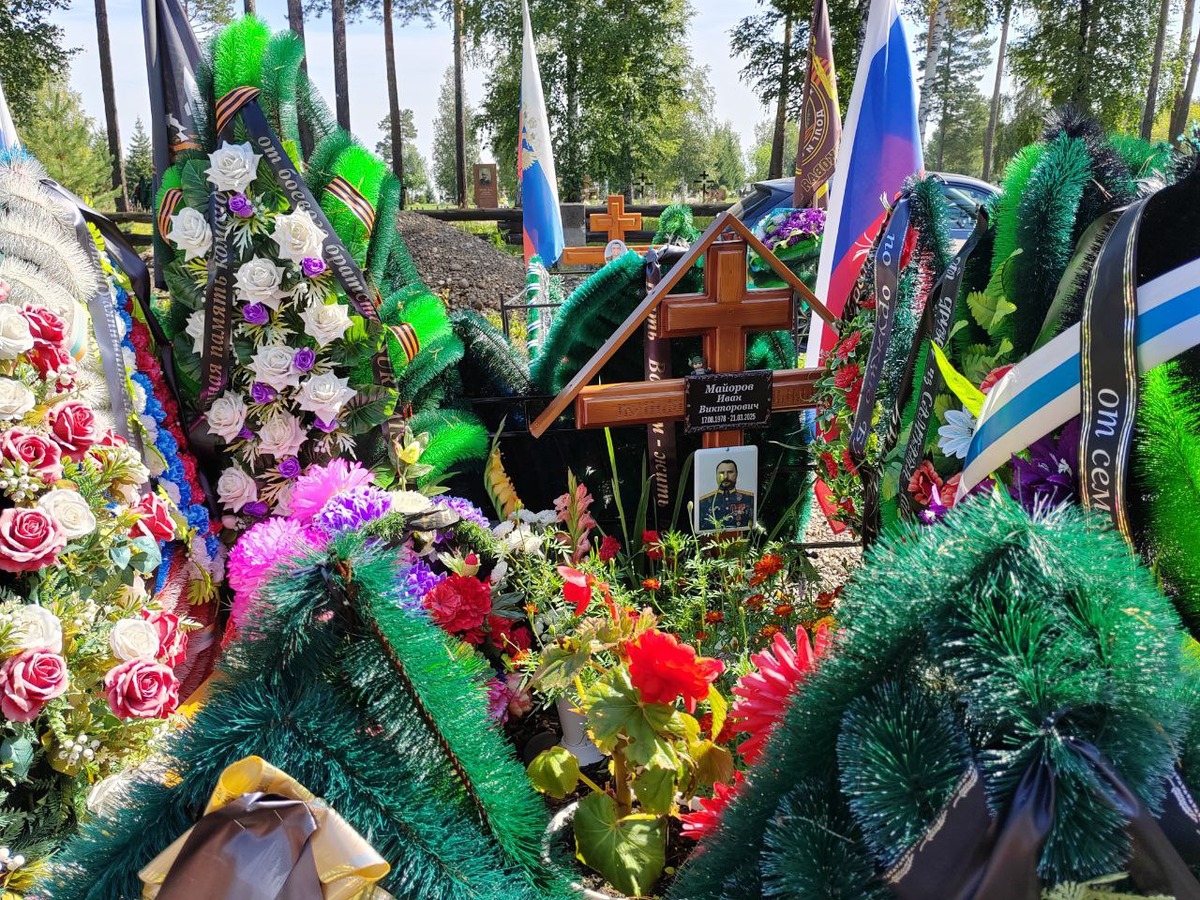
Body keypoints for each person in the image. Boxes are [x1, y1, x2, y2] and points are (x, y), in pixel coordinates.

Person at [697, 458, 754, 530]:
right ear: (716, 475)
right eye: (721, 473)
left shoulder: (749, 499)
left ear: (736, 474)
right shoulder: (703, 502)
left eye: (730, 472)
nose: (725, 476)